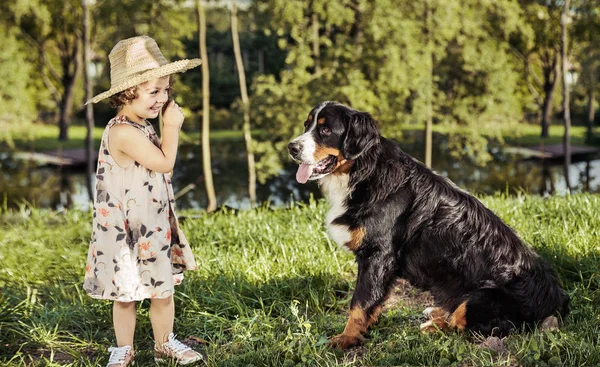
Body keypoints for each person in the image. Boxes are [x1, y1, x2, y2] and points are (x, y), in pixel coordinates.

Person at [83, 36, 203, 366]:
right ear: (127, 93)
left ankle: (165, 342)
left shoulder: (141, 125)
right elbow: (165, 162)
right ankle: (124, 349)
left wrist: (160, 123)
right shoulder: (123, 132)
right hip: (123, 232)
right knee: (125, 295)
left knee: (162, 291)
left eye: (165, 90)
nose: (162, 98)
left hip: (151, 226)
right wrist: (172, 126)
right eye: (154, 91)